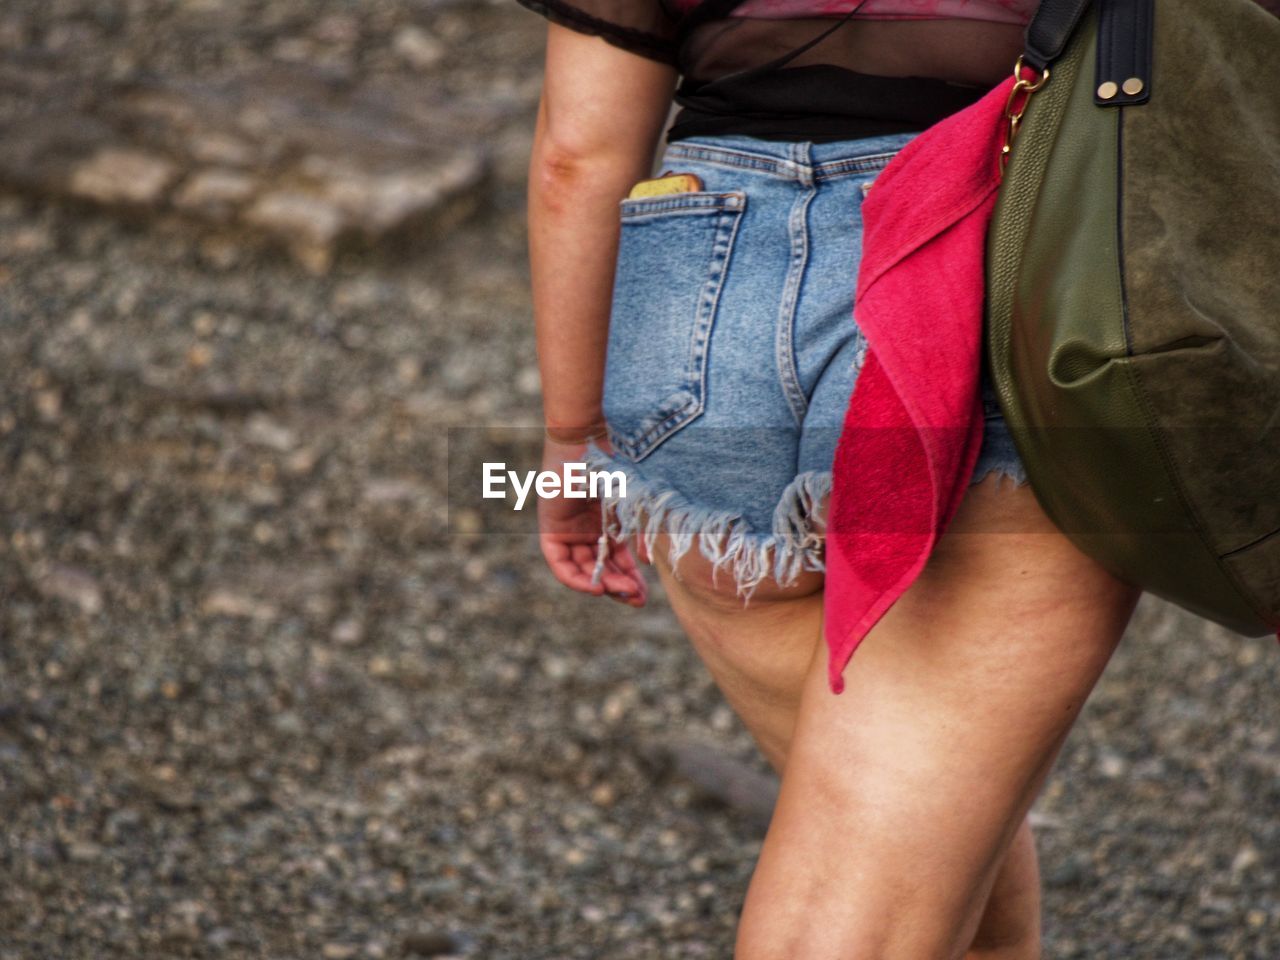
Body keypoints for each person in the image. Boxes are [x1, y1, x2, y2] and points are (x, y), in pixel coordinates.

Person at [517, 1, 1143, 957]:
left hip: (701, 303)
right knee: (880, 844)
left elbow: (577, 157)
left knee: (895, 820)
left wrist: (573, 442)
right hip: (996, 278)